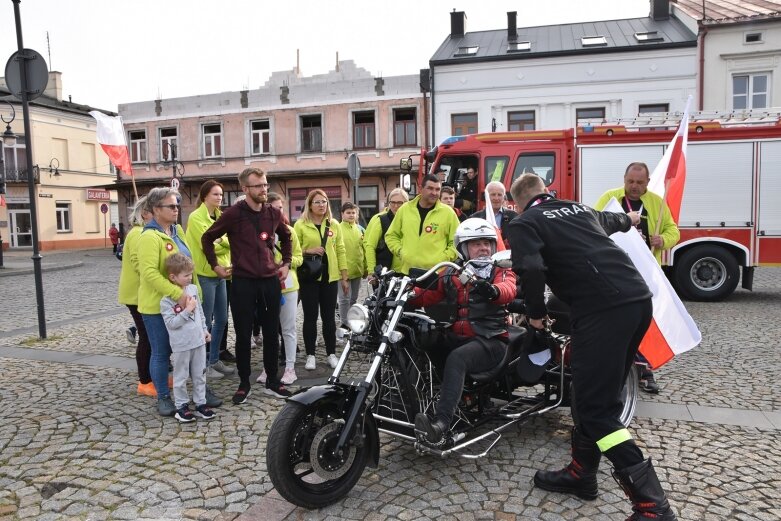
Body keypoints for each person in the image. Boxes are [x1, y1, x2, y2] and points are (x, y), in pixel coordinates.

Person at [506, 173, 676, 520]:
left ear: (517, 203)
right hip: (637, 301)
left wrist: (536, 316)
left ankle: (652, 505)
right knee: (593, 396)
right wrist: (631, 219)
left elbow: (532, 268)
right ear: (547, 192)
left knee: (596, 410)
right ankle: (581, 474)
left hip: (602, 310)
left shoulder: (525, 223)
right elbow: (615, 220)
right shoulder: (577, 209)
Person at [413, 218, 517, 443]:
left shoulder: (500, 270)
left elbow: (508, 289)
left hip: (491, 340)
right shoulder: (452, 272)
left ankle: (441, 424)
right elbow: (427, 293)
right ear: (463, 248)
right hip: (459, 336)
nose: (483, 248)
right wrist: (402, 294)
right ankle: (417, 405)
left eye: (487, 243)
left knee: (458, 358)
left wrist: (492, 290)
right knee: (422, 340)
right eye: (476, 243)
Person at [202, 167, 293, 403]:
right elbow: (207, 238)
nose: (264, 189)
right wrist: (215, 266)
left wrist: (287, 263)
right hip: (242, 282)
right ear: (245, 189)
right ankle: (244, 382)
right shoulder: (233, 213)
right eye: (258, 186)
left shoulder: (273, 213)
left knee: (272, 333)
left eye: (265, 185)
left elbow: (286, 236)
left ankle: (273, 380)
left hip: (270, 281)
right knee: (243, 335)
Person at [594, 161, 681, 395]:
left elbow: (674, 230)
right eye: (630, 182)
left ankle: (645, 371)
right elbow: (594, 224)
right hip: (614, 272)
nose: (634, 186)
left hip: (645, 273)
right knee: (616, 323)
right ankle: (614, 370)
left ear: (647, 182)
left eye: (639, 183)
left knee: (643, 323)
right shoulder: (610, 198)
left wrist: (664, 240)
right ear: (624, 180)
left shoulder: (656, 203)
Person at [137, 187, 222, 417]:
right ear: (156, 209)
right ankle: (164, 396)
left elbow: (188, 262)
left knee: (195, 349)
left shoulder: (177, 231)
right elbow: (149, 273)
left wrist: (196, 295)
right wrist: (179, 295)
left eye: (177, 205)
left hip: (188, 303)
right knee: (162, 351)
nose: (176, 209)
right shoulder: (149, 236)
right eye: (171, 206)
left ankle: (201, 394)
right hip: (158, 306)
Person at [185, 180, 235, 380]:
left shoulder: (222, 216)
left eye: (221, 194)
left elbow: (229, 242)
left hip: (222, 273)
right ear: (205, 196)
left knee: (222, 319)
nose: (219, 197)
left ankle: (214, 359)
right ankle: (202, 364)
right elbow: (206, 244)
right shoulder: (196, 217)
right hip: (205, 274)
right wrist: (221, 243)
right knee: (204, 321)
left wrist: (220, 240)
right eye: (215, 194)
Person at [294, 189, 349, 370]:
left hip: (329, 278)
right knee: (310, 317)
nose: (321, 205)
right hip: (309, 277)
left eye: (324, 201)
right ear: (310, 204)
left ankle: (331, 353)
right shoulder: (301, 225)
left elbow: (341, 250)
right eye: (317, 202)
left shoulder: (334, 224)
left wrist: (344, 276)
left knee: (329, 318)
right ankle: (310, 355)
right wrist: (308, 251)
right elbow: (293, 250)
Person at [160, 253, 216, 423]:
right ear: (173, 277)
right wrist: (186, 311)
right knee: (181, 376)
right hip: (182, 344)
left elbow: (199, 312)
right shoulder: (166, 300)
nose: (190, 278)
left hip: (198, 341)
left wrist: (205, 329)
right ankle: (181, 406)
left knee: (200, 374)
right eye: (186, 275)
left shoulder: (192, 289)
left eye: (191, 274)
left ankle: (200, 403)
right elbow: (172, 323)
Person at [257, 192, 302, 385]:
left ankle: (290, 368)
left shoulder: (290, 231)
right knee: (269, 329)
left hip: (288, 286)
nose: (278, 211)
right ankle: (269, 367)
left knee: (288, 328)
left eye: (280, 208)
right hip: (266, 285)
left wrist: (286, 264)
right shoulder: (259, 231)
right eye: (274, 207)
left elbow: (299, 257)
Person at [384, 174, 460, 276]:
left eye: (437, 189)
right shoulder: (405, 209)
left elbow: (457, 241)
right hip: (408, 272)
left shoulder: (448, 213)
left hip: (437, 273)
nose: (434, 193)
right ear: (421, 188)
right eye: (430, 188)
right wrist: (401, 252)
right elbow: (391, 235)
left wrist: (444, 258)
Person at [117, 196, 155, 397]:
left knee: (153, 338)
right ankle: (145, 380)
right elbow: (141, 265)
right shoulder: (138, 233)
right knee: (147, 337)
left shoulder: (144, 232)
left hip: (142, 293)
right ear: (145, 214)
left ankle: (153, 376)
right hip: (136, 295)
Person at [364, 188, 408, 280]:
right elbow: (370, 246)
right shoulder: (381, 220)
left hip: (407, 271)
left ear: (406, 203)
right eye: (393, 202)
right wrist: (372, 271)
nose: (396, 206)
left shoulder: (411, 220)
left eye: (400, 203)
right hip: (385, 272)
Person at [338, 202, 366, 328]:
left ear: (357, 215)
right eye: (348, 213)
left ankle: (351, 321)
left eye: (353, 213)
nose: (351, 215)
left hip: (357, 270)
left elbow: (364, 250)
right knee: (344, 299)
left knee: (353, 299)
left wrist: (366, 268)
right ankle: (344, 323)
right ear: (342, 214)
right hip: (343, 271)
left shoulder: (361, 230)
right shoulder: (337, 229)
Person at [470, 181, 518, 247]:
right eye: (493, 194)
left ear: (504, 197)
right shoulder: (474, 219)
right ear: (486, 196)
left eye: (499, 195)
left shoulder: (514, 216)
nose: (496, 198)